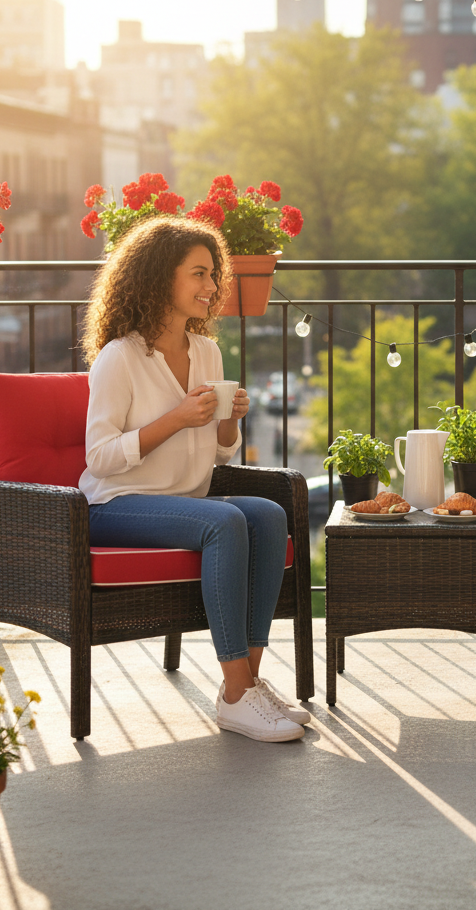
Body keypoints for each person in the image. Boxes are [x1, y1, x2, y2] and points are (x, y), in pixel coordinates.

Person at [79, 216, 307, 743]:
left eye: (213, 275)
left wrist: (229, 420)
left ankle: (248, 682)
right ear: (161, 278)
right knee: (226, 521)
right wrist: (176, 418)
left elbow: (221, 451)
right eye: (199, 275)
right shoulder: (120, 357)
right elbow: (99, 458)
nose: (212, 288)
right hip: (115, 503)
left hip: (186, 501)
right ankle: (233, 696)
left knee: (269, 515)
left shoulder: (206, 351)